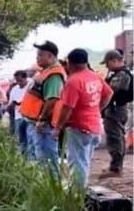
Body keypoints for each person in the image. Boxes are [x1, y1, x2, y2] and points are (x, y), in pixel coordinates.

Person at [53, 49, 113, 186]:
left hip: (78, 128)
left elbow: (67, 108)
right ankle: (81, 192)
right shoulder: (94, 76)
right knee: (84, 162)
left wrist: (58, 128)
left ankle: (78, 197)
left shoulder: (73, 81)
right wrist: (97, 109)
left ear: (70, 63)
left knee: (78, 166)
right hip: (93, 127)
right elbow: (109, 93)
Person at [19, 40, 66, 176]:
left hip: (44, 124)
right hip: (36, 122)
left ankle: (51, 188)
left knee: (47, 158)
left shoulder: (54, 75)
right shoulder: (46, 72)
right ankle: (46, 186)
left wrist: (42, 119)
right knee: (42, 157)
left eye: (40, 55)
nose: (37, 58)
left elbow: (52, 100)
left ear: (50, 56)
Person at [100, 49, 133, 178]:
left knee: (115, 138)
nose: (107, 66)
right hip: (117, 109)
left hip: (116, 110)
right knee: (117, 137)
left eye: (107, 63)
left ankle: (115, 168)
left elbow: (111, 91)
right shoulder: (118, 74)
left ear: (115, 61)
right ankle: (115, 166)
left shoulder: (121, 75)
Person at [7, 70, 31, 157]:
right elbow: (10, 102)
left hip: (29, 116)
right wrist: (9, 106)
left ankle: (31, 157)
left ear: (25, 78)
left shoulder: (31, 86)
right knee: (21, 138)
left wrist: (20, 103)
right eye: (17, 81)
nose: (19, 83)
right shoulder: (14, 89)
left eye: (20, 80)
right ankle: (24, 156)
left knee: (30, 137)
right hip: (18, 116)